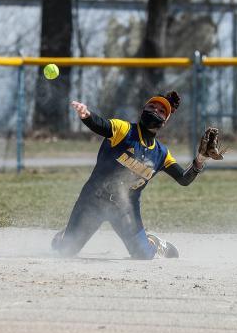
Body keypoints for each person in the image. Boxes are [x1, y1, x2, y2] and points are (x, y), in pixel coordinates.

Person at [52, 91, 226, 259]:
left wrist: (201, 159)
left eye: (161, 111)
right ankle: (68, 235)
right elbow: (101, 125)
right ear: (143, 111)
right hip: (92, 201)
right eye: (152, 106)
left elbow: (183, 179)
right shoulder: (124, 131)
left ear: (164, 120)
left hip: (124, 209)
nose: (155, 111)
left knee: (143, 254)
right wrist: (86, 115)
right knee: (65, 250)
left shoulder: (161, 154)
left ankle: (153, 242)